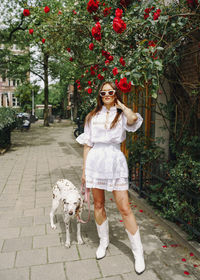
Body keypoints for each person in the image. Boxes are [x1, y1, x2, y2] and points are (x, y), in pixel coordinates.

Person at [76, 81, 145, 275]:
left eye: (110, 91)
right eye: (103, 92)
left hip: (115, 161)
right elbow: (87, 144)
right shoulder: (91, 117)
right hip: (95, 162)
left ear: (115, 93)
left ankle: (138, 252)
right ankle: (103, 242)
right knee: (98, 204)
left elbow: (133, 119)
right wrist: (84, 170)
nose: (107, 94)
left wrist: (121, 105)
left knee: (125, 208)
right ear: (99, 94)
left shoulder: (122, 115)